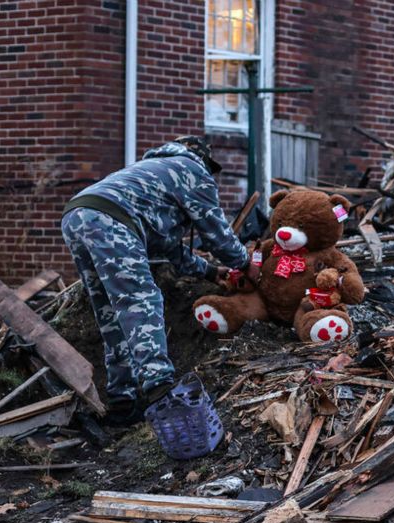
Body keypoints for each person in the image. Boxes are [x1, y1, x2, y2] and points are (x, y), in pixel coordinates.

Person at [61, 136, 254, 426]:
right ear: (201, 157)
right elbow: (218, 235)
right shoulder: (192, 169)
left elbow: (167, 246)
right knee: (140, 301)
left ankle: (122, 401)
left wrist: (210, 272)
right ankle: (161, 391)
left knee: (110, 311)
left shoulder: (151, 170)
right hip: (110, 219)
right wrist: (246, 264)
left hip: (77, 215)